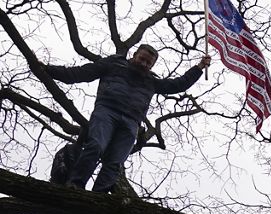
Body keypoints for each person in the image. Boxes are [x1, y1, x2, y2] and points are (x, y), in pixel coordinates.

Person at [42, 45, 211, 192]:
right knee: (95, 146)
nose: (144, 64)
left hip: (131, 122)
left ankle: (99, 195)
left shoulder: (152, 81)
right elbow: (80, 73)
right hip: (106, 112)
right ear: (134, 56)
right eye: (142, 59)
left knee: (115, 162)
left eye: (148, 63)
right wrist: (47, 69)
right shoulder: (113, 65)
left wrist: (199, 67)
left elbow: (178, 84)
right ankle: (75, 185)